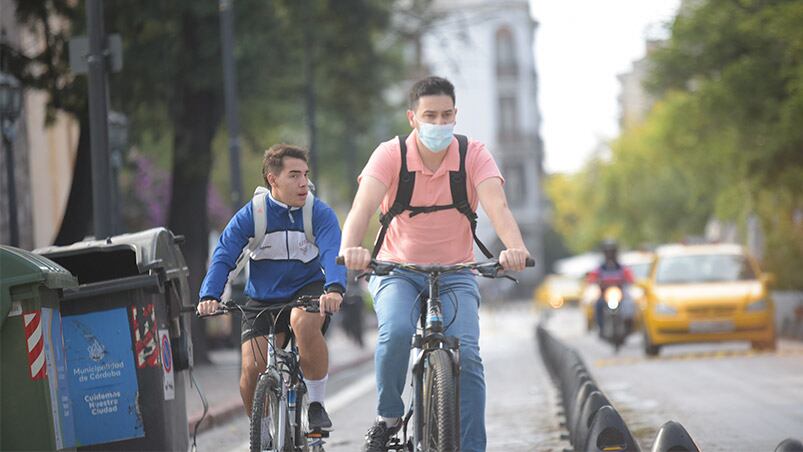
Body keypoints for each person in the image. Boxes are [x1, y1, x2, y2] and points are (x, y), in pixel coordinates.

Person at [339, 76, 531, 452]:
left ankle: (472, 447)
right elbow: (361, 209)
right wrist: (351, 249)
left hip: (456, 272)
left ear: (456, 115)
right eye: (430, 116)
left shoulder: (473, 154)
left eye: (446, 115)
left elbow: (499, 207)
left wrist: (515, 248)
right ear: (413, 117)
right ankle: (389, 416)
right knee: (394, 331)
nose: (439, 124)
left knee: (470, 358)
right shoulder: (390, 155)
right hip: (397, 270)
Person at [197, 144, 347, 433]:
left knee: (301, 322)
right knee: (252, 369)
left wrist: (335, 288)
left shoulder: (318, 212)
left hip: (309, 290)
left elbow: (333, 252)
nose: (303, 182)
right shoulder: (252, 215)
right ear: (272, 179)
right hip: (263, 297)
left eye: (305, 174)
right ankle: (263, 432)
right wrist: (209, 295)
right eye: (294, 175)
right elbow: (224, 255)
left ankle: (315, 404)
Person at [587, 239, 635, 332]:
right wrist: (594, 281)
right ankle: (601, 328)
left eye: (612, 252)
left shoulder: (622, 268)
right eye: (608, 252)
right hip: (605, 295)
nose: (610, 254)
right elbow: (592, 277)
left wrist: (629, 281)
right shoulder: (600, 268)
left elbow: (630, 278)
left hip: (620, 295)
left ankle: (629, 327)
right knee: (598, 305)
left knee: (629, 304)